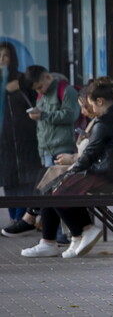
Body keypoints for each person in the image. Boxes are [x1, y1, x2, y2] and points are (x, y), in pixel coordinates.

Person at [21, 78, 113, 258]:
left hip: (105, 175)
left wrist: (70, 173)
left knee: (57, 192)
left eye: (90, 105)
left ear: (100, 102)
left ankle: (82, 231)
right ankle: (72, 236)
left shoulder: (103, 123)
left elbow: (89, 156)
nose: (90, 111)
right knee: (55, 187)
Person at [2, 65, 79, 238]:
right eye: (36, 89)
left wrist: (44, 115)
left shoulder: (66, 91)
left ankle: (58, 231)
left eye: (40, 87)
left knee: (56, 192)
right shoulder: (41, 94)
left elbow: (70, 115)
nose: (40, 91)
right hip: (45, 149)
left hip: (61, 148)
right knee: (48, 192)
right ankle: (50, 231)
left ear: (47, 77)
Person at [0, 42, 41, 225]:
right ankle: (14, 218)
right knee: (9, 180)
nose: (2, 59)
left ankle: (26, 219)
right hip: (4, 140)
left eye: (6, 55)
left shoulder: (22, 79)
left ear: (12, 58)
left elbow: (36, 102)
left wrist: (21, 87)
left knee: (27, 179)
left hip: (26, 137)